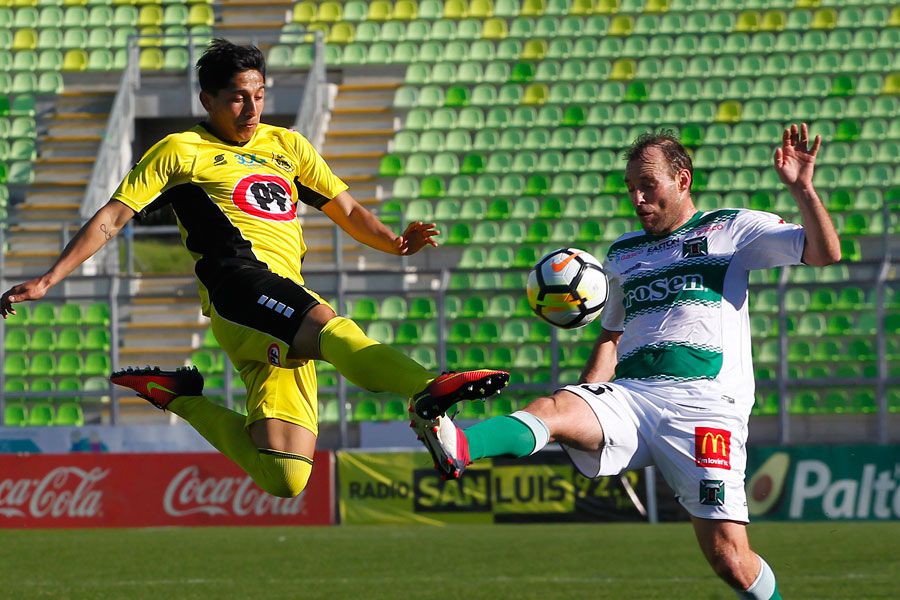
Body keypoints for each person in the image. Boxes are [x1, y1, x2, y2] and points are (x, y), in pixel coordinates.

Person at [0, 39, 508, 499]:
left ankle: (179, 397)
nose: (251, 108)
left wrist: (396, 245)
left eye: (259, 95)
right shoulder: (180, 151)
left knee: (286, 475)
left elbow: (349, 211)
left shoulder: (288, 146)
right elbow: (112, 218)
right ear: (208, 101)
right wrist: (48, 279)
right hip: (238, 289)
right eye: (237, 98)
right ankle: (426, 389)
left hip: (282, 302)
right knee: (328, 324)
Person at [412, 124, 840, 599]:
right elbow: (611, 336)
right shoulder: (622, 253)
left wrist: (804, 189)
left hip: (704, 408)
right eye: (631, 188)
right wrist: (583, 398)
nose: (638, 198)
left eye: (648, 185)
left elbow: (824, 253)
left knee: (731, 560)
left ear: (683, 179)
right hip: (632, 397)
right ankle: (459, 444)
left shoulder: (730, 230)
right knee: (552, 409)